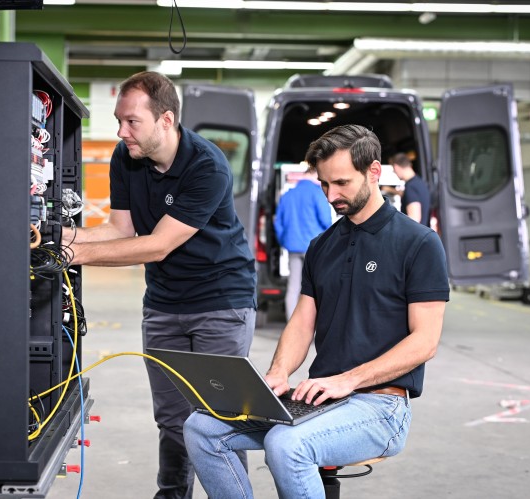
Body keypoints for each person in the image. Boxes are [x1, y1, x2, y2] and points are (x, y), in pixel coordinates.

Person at [183, 124, 449, 499]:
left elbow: (425, 341)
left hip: (380, 406)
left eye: (341, 182)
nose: (331, 195)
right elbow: (303, 320)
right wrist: (278, 373)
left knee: (286, 444)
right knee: (201, 429)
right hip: (319, 398)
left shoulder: (419, 243)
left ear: (373, 172)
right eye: (324, 184)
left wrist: (349, 380)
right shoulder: (322, 245)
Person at [63, 71, 257, 499]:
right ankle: (171, 495)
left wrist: (73, 255)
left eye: (132, 121)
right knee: (171, 417)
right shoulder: (124, 157)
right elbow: (119, 229)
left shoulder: (206, 165)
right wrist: (59, 237)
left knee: (218, 418)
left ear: (166, 120)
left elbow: (156, 246)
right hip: (165, 303)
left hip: (220, 302)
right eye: (118, 120)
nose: (121, 131)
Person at [273, 168, 333, 322]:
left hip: (292, 246)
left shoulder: (287, 195)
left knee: (293, 287)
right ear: (315, 175)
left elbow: (278, 223)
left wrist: (285, 241)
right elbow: (326, 221)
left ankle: (293, 325)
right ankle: (316, 326)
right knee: (317, 287)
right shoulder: (317, 193)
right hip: (315, 247)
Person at [390, 152, 431, 226]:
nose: (394, 172)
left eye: (393, 169)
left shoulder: (410, 187)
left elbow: (414, 219)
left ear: (396, 167)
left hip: (415, 236)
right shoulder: (419, 183)